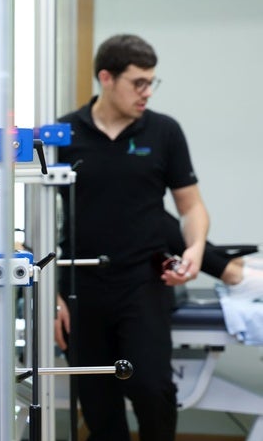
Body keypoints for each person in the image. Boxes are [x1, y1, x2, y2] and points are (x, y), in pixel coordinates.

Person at [53, 34, 209, 441]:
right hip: (80, 287)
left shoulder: (164, 132)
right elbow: (34, 216)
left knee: (151, 388)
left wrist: (193, 249)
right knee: (99, 401)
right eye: (138, 82)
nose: (146, 93)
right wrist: (49, 294)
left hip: (143, 282)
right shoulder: (63, 134)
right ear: (106, 77)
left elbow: (191, 207)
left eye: (151, 83)